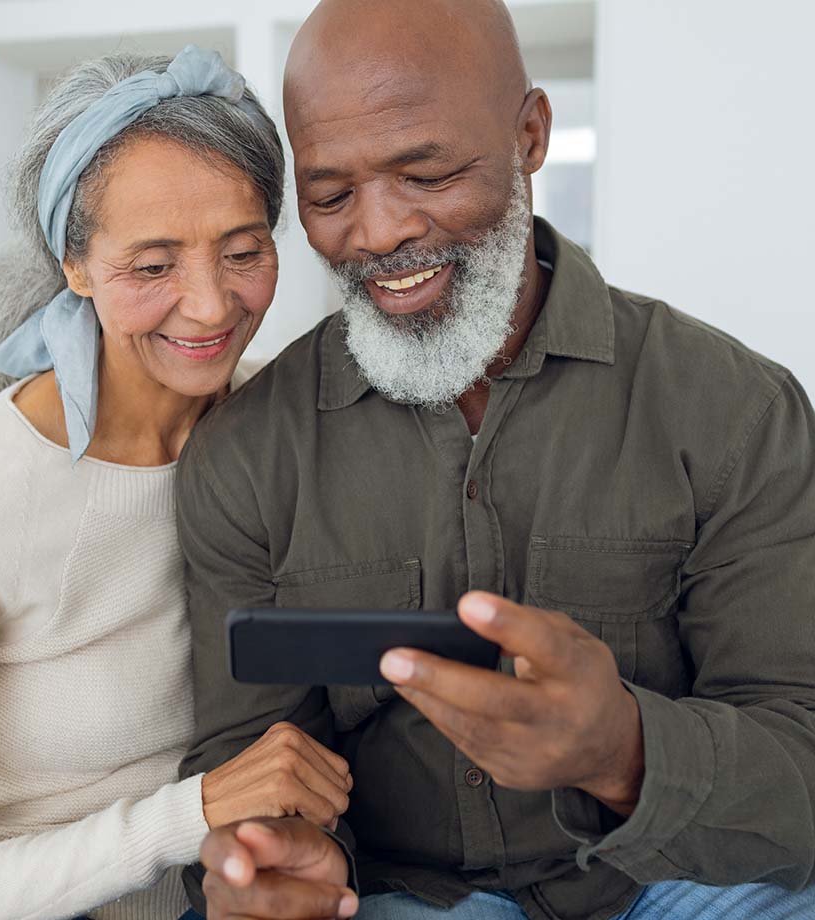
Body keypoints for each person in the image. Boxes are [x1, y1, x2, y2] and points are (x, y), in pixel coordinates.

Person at [176, 2, 815, 919]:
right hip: (402, 897)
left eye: (427, 172)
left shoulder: (735, 410)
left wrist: (622, 753)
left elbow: (801, 765)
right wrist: (284, 865)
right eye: (329, 197)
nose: (381, 231)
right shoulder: (245, 455)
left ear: (530, 135)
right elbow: (258, 764)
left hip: (670, 882)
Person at [0, 46, 353, 920]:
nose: (212, 305)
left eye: (243, 250)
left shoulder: (278, 429)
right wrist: (195, 813)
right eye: (152, 266)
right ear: (75, 266)